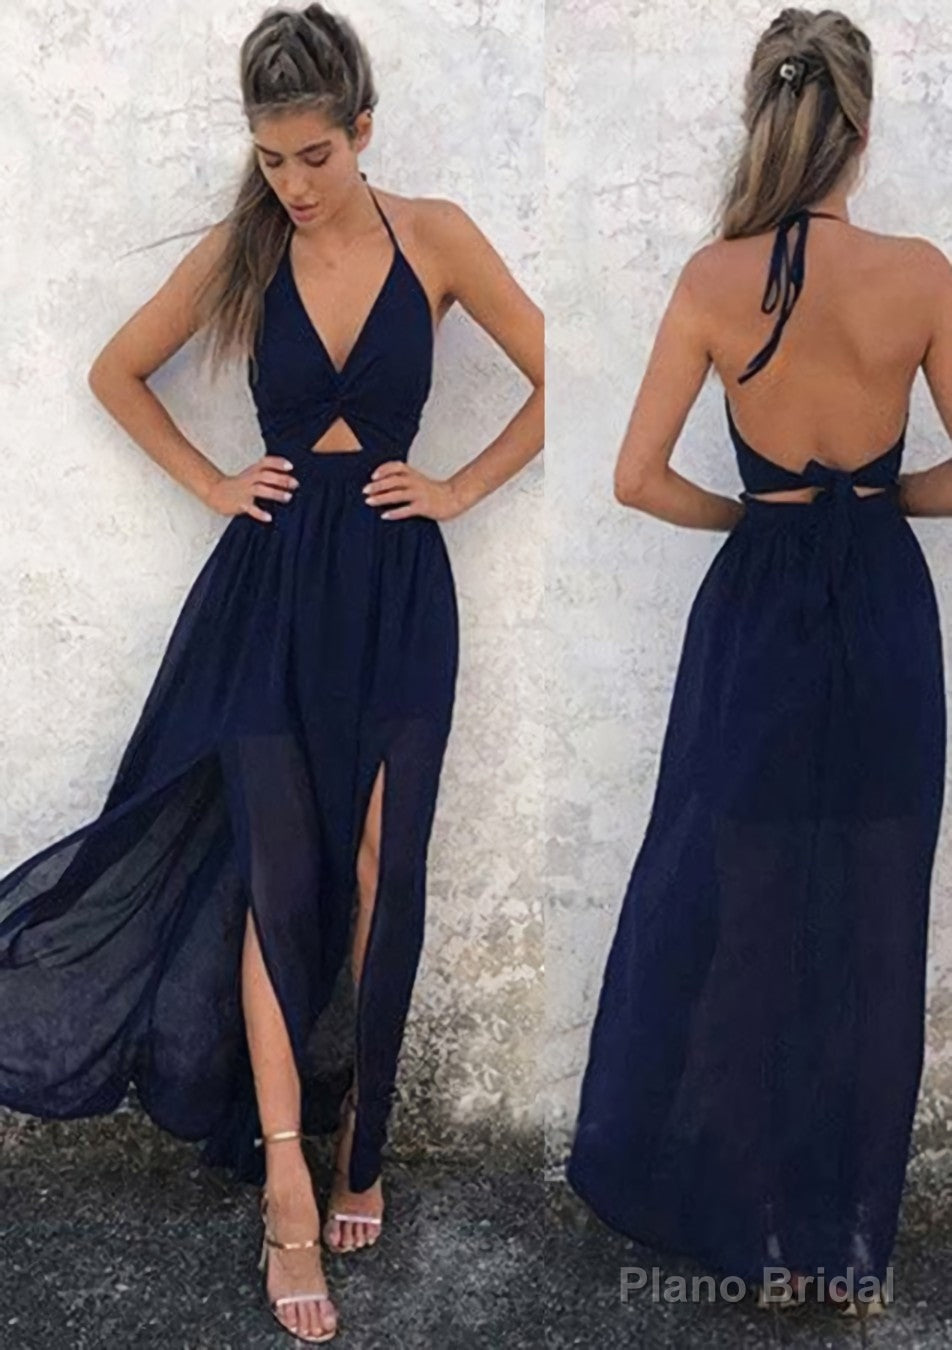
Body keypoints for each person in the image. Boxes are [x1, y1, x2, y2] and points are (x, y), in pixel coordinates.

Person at [0, 4, 543, 1344]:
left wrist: (460, 485)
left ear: (363, 129)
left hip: (399, 586)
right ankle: (289, 1182)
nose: (293, 183)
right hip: (272, 591)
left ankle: (365, 1134)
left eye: (314, 154)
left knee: (381, 871)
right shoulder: (246, 244)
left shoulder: (440, 237)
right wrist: (212, 483)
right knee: (275, 876)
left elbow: (561, 372)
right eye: (270, 158)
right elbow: (116, 372)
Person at [565, 7, 950, 1339]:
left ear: (763, 119)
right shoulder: (921, 274)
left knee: (749, 924)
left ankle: (762, 1236)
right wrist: (878, 498)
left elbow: (636, 478)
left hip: (758, 618)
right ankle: (849, 1249)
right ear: (862, 127)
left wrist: (755, 517)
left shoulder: (712, 280)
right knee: (874, 925)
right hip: (884, 611)